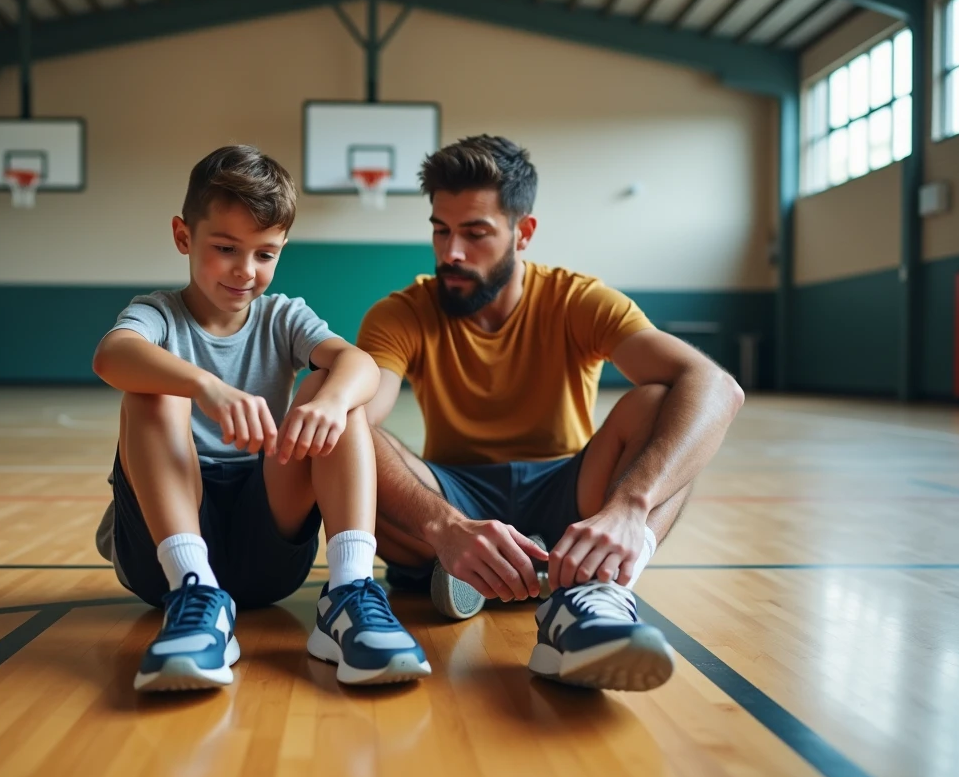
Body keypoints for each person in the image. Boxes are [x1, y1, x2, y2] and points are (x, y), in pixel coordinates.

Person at [357, 135, 744, 691]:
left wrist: (630, 509)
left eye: (475, 233)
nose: (452, 253)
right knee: (345, 421)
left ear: (524, 233)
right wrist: (443, 524)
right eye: (441, 230)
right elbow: (361, 413)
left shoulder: (574, 299)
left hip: (568, 497)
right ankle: (485, 561)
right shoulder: (402, 312)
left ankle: (600, 591)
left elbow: (716, 387)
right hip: (451, 501)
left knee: (661, 404)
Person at [93, 145, 430, 692]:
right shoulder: (156, 314)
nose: (245, 271)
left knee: (332, 386)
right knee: (154, 387)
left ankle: (348, 594)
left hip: (265, 546)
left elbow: (359, 364)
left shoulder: (282, 317)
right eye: (226, 248)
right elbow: (111, 357)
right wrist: (204, 386)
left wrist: (327, 403)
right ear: (184, 237)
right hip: (162, 558)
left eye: (265, 254)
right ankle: (195, 593)